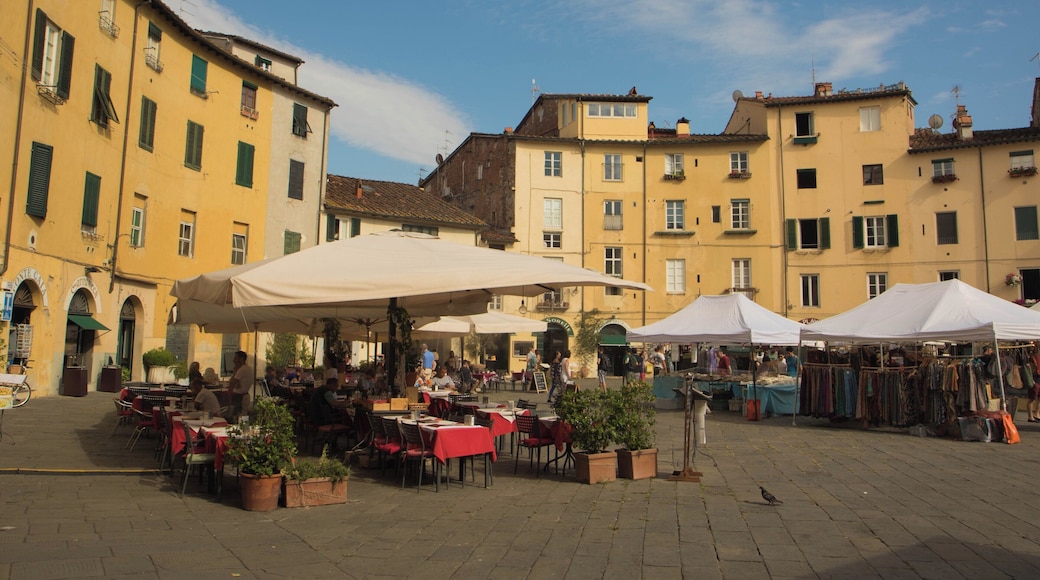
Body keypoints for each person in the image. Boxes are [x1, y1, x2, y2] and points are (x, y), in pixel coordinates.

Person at [227, 350, 253, 417]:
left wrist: (235, 371)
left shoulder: (242, 369)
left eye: (236, 358)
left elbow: (232, 383)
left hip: (239, 398)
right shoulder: (248, 368)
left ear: (241, 359)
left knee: (235, 416)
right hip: (242, 396)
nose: (233, 360)